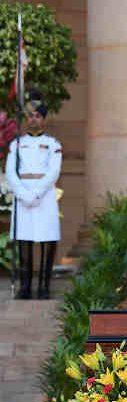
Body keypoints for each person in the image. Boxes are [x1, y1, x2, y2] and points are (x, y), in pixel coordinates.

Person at [6, 99, 62, 300]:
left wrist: (36, 193)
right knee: (24, 242)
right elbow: (11, 173)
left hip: (44, 197)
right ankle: (25, 287)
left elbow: (54, 172)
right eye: (30, 116)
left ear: (44, 119)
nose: (33, 119)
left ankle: (44, 286)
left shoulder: (53, 144)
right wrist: (23, 194)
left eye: (37, 116)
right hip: (23, 197)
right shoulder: (17, 144)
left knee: (47, 241)